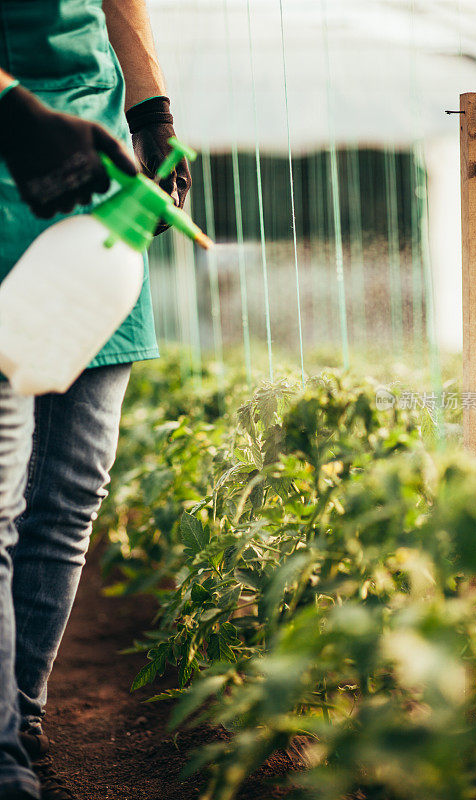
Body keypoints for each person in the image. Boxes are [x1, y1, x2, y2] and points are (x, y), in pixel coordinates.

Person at [0, 2, 190, 798]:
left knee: (74, 483)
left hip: (94, 153)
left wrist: (150, 106)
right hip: (12, 147)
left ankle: (23, 712)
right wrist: (13, 110)